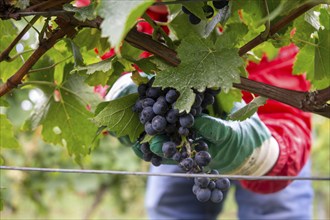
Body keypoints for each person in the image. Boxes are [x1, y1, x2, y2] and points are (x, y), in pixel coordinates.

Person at [106, 5, 314, 220]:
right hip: (179, 136)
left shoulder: (272, 10)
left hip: (269, 128)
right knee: (170, 207)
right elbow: (91, 64)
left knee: (277, 211)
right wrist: (111, 92)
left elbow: (288, 107)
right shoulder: (109, 6)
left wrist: (262, 156)